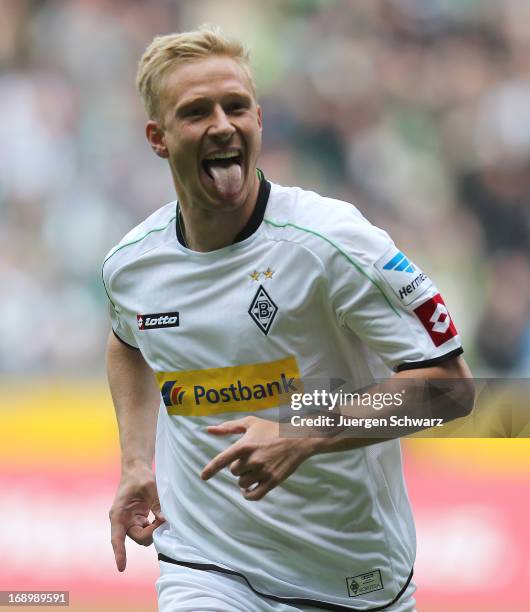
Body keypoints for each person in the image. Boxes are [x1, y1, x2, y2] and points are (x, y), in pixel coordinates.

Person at [103, 26, 474, 612]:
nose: (222, 125)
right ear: (159, 137)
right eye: (197, 111)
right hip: (206, 561)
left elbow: (451, 389)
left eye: (237, 107)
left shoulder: (334, 242)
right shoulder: (132, 264)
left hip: (348, 575)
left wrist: (304, 427)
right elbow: (126, 341)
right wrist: (134, 462)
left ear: (259, 119)